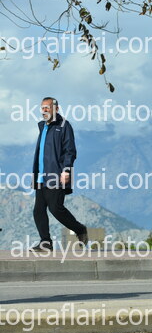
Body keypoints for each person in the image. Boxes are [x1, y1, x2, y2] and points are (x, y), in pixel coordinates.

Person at [30, 97, 88, 252]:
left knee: (56, 208)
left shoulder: (64, 126)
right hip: (41, 176)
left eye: (47, 107)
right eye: (42, 108)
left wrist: (66, 170)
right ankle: (46, 242)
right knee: (38, 210)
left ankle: (80, 229)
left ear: (56, 109)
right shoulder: (43, 126)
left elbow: (70, 151)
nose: (44, 110)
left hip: (56, 175)